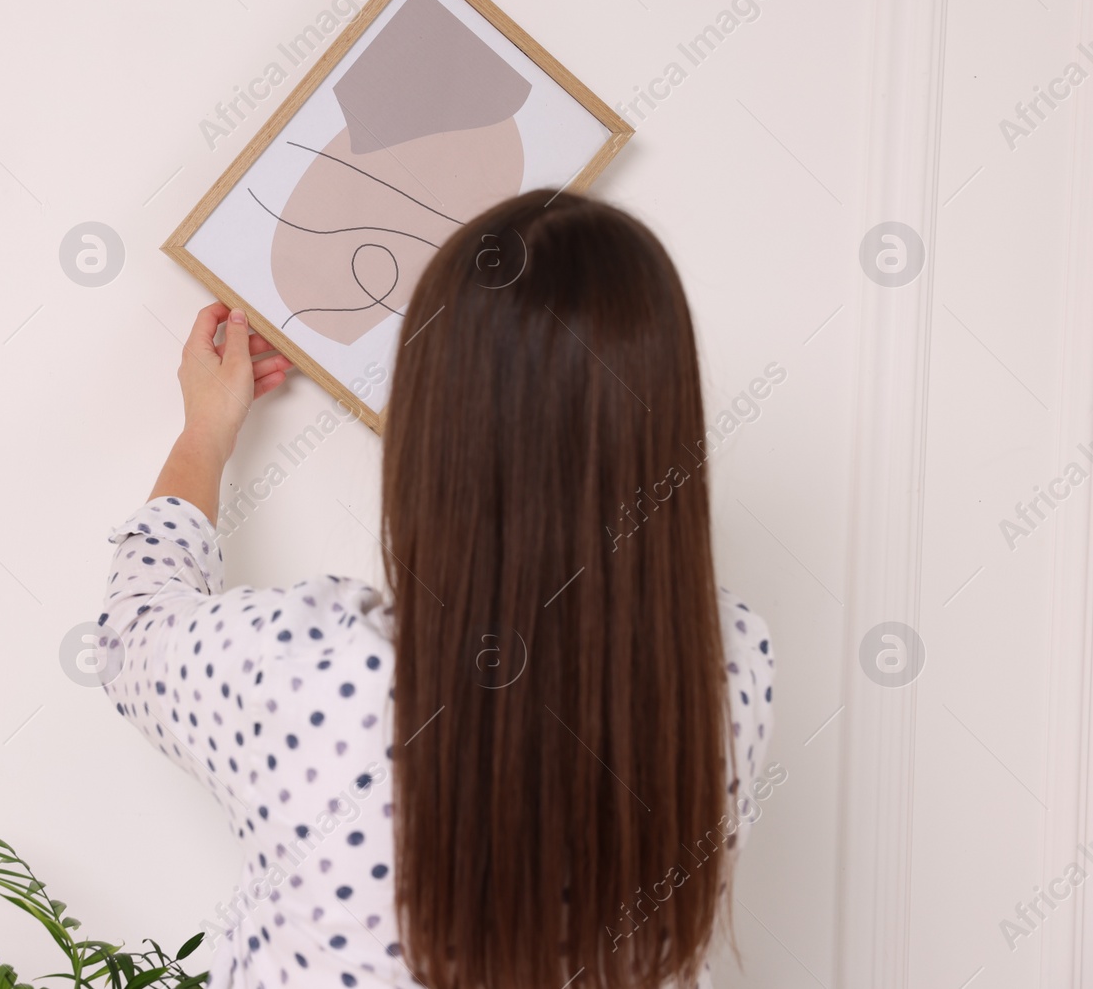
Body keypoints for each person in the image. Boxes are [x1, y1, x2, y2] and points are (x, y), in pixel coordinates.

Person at [98, 190, 774, 989]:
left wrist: (204, 431)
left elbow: (135, 624)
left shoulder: (313, 671)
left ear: (434, 423)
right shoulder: (731, 667)